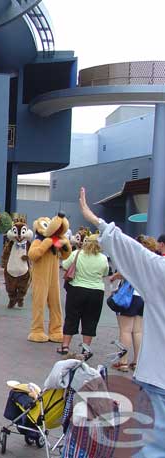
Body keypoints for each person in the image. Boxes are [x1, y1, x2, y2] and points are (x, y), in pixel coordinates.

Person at [79, 187, 165, 457]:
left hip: (158, 380)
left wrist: (97, 220)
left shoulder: (160, 272)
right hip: (156, 379)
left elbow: (131, 252)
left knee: (149, 448)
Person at [57, 234, 109, 355]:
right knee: (91, 320)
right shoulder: (103, 258)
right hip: (96, 292)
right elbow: (105, 272)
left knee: (71, 318)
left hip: (76, 290)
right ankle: (85, 349)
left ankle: (65, 346)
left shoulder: (77, 254)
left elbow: (64, 266)